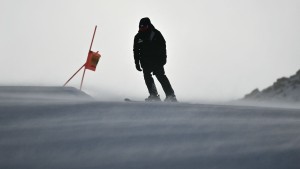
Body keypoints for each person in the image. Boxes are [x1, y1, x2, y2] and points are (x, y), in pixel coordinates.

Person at [133, 17, 177, 102]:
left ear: (148, 25)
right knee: (147, 77)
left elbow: (163, 47)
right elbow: (136, 51)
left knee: (161, 76)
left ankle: (170, 95)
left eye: (144, 26)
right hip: (145, 62)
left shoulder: (156, 34)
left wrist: (163, 59)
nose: (142, 28)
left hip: (157, 61)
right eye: (140, 26)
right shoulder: (138, 37)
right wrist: (137, 63)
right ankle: (154, 95)